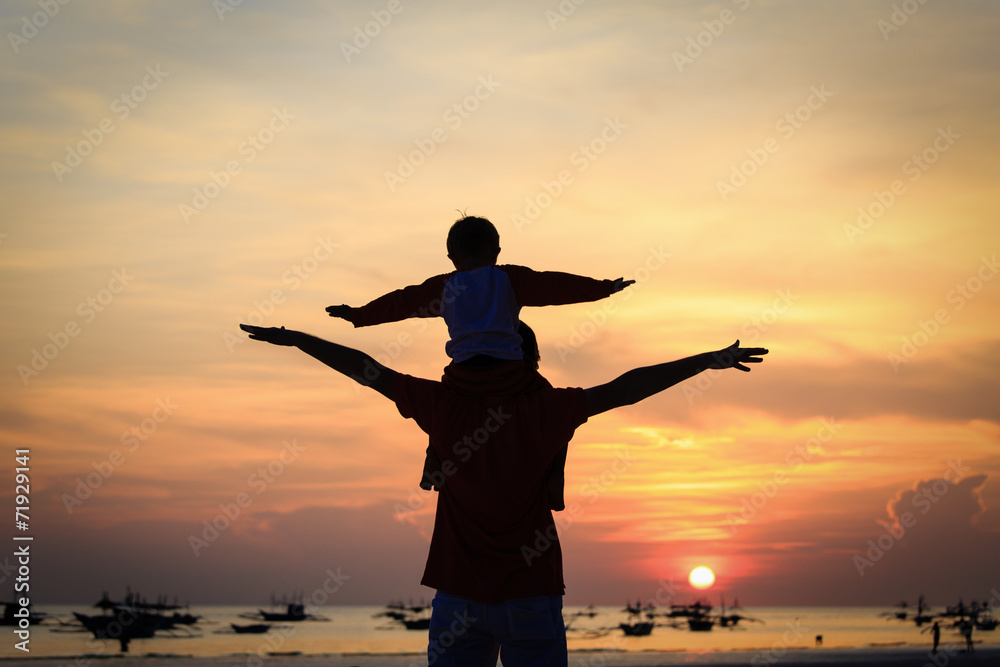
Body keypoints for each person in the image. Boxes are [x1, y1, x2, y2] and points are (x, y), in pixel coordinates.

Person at [240, 322, 767, 666]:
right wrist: (705, 361)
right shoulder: (548, 409)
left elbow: (366, 370)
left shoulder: (442, 405)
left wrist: (300, 340)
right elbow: (626, 388)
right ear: (527, 360)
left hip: (459, 597)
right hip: (531, 596)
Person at [327, 215, 635, 509]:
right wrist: (603, 288)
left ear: (452, 257)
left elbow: (401, 302)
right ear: (496, 252)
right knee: (555, 405)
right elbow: (553, 285)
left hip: (462, 376)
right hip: (511, 373)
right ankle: (556, 476)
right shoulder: (509, 279)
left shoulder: (444, 286)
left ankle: (433, 458)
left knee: (444, 409)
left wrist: (358, 315)